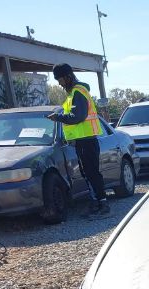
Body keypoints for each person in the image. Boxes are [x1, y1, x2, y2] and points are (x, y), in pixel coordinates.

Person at [47, 63, 109, 218]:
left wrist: (58, 117)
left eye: (59, 79)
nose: (59, 83)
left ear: (68, 76)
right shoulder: (74, 93)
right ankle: (97, 203)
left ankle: (102, 205)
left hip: (86, 140)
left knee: (91, 173)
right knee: (89, 173)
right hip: (83, 141)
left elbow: (78, 117)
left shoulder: (77, 92)